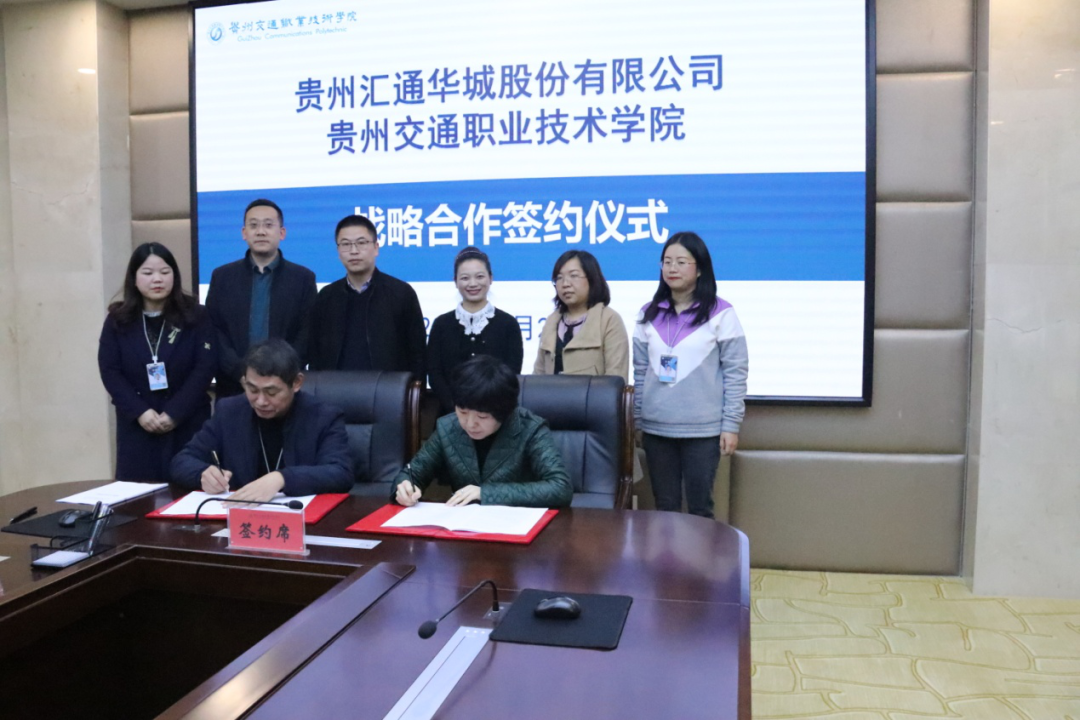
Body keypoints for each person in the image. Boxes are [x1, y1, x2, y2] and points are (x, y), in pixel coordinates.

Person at [633, 232, 748, 518]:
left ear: (699, 269)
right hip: (657, 428)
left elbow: (735, 372)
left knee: (700, 509)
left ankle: (702, 552)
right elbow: (639, 371)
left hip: (703, 430)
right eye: (667, 261)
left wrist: (731, 424)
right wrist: (637, 420)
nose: (672, 268)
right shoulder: (648, 314)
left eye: (681, 262)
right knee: (665, 508)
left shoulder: (721, 313)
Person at [171, 339, 353, 500]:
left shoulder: (323, 417)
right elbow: (182, 461)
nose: (260, 401)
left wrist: (281, 478)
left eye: (271, 392)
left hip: (301, 519)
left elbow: (341, 473)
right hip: (238, 516)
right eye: (252, 390)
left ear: (296, 383)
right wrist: (202, 474)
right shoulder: (229, 411)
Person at [98, 243, 217, 482]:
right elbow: (110, 371)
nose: (157, 279)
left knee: (190, 489)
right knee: (137, 496)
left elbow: (205, 367)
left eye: (164, 272)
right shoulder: (118, 319)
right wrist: (140, 412)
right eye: (148, 273)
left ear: (174, 275)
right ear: (134, 278)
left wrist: (174, 412)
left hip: (187, 421)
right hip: (138, 425)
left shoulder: (196, 315)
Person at [392, 355, 572, 508]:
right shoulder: (448, 427)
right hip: (464, 529)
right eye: (463, 412)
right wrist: (404, 487)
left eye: (482, 417)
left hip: (518, 526)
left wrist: (485, 493)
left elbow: (560, 487)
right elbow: (412, 473)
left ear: (504, 412)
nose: (470, 424)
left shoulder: (530, 429)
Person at [205, 199, 317, 397]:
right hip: (233, 385)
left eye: (268, 225)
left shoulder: (302, 278)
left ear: (282, 233)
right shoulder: (222, 277)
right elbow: (214, 330)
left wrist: (280, 373)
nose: (261, 232)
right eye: (254, 225)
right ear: (244, 233)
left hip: (282, 387)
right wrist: (240, 373)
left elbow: (306, 334)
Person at [307, 214, 426, 379]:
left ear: (376, 248)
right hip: (334, 389)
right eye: (346, 244)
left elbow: (417, 354)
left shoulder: (401, 293)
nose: (354, 251)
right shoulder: (326, 297)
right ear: (338, 251)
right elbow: (315, 353)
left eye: (361, 243)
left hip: (387, 390)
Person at [426, 248, 523, 415]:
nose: (472, 284)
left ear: (491, 278)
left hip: (496, 414)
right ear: (455, 281)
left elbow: (512, 372)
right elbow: (435, 373)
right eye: (465, 278)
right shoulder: (441, 324)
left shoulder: (508, 324)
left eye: (479, 276)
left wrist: (487, 411)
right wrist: (457, 409)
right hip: (450, 415)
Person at [533, 250, 628, 378]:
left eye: (574, 276)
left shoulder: (609, 320)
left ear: (592, 279)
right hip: (551, 392)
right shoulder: (552, 321)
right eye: (559, 278)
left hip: (596, 392)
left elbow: (616, 377)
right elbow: (538, 375)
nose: (565, 284)